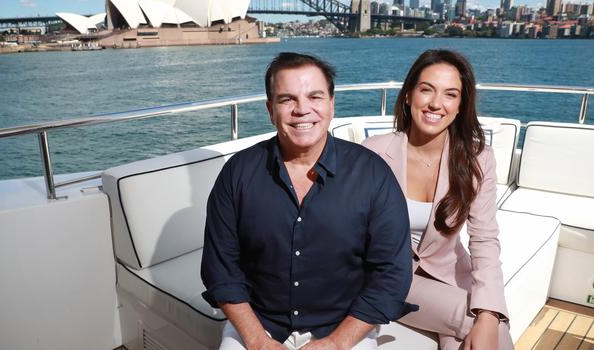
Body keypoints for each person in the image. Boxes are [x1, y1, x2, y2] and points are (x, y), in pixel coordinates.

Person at [201, 52, 416, 350]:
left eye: (315, 97)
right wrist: (257, 340)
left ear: (331, 105)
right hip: (259, 324)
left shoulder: (373, 175)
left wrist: (337, 343)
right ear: (270, 110)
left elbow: (392, 273)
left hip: (343, 326)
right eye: (287, 99)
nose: (302, 110)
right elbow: (220, 268)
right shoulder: (238, 173)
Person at [362, 49, 514, 350]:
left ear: (461, 105)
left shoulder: (477, 159)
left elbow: (484, 238)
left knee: (481, 326)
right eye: (426, 90)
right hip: (390, 277)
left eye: (450, 94)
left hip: (452, 275)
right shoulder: (373, 152)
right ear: (408, 96)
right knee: (485, 327)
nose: (435, 104)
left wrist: (489, 313)